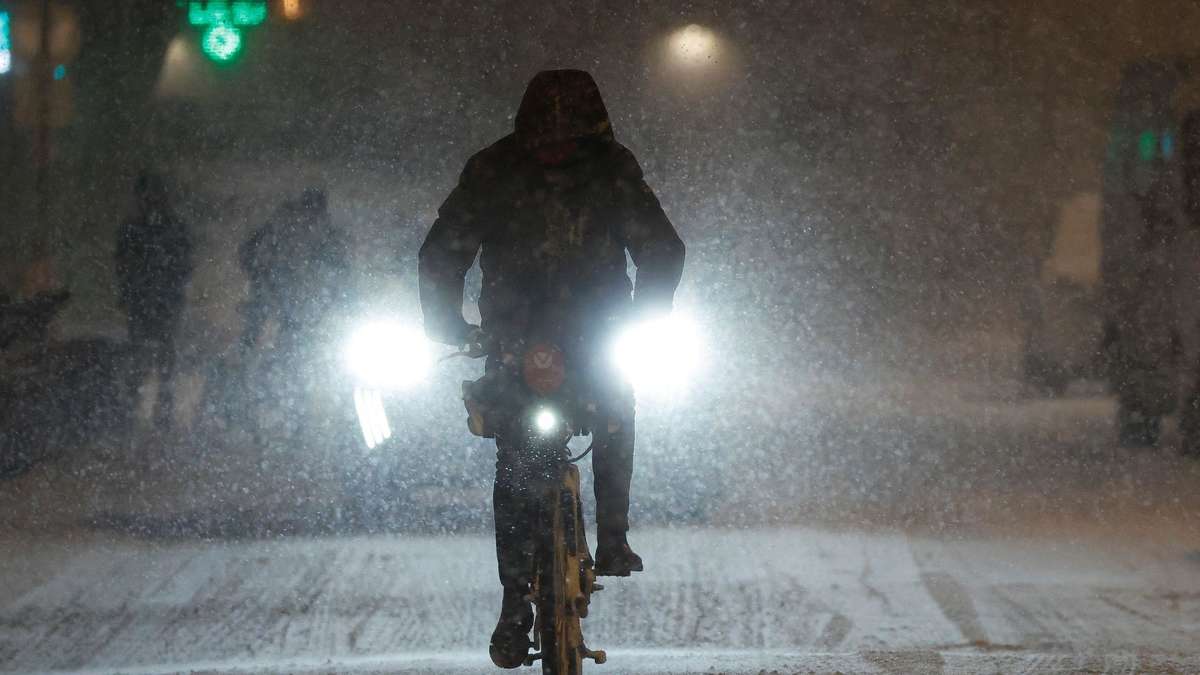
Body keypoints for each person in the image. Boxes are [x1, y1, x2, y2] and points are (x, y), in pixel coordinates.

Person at [418, 69, 685, 668]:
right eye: (547, 137)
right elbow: (442, 255)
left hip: (594, 335)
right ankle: (515, 601)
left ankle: (613, 538)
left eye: (570, 137)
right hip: (515, 340)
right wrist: (453, 329)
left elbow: (661, 249)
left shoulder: (609, 170)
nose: (558, 147)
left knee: (615, 408)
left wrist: (644, 320)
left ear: (591, 133)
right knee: (516, 463)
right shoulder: (495, 170)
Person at [115, 171, 192, 433]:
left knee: (164, 355)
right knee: (141, 355)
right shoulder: (134, 228)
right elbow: (123, 264)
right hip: (145, 299)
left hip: (163, 300)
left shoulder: (171, 227)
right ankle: (137, 405)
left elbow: (184, 265)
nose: (151, 199)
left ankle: (160, 404)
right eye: (147, 194)